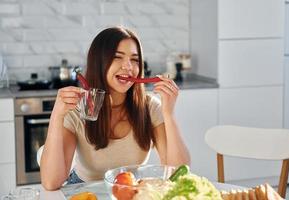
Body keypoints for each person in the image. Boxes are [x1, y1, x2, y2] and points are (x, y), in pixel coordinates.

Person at [40, 26, 190, 190]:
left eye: (134, 59)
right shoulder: (78, 109)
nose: (128, 66)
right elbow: (51, 183)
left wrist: (168, 113)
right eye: (117, 57)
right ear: (98, 63)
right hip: (84, 190)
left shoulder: (150, 107)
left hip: (128, 190)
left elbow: (178, 175)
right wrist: (56, 116)